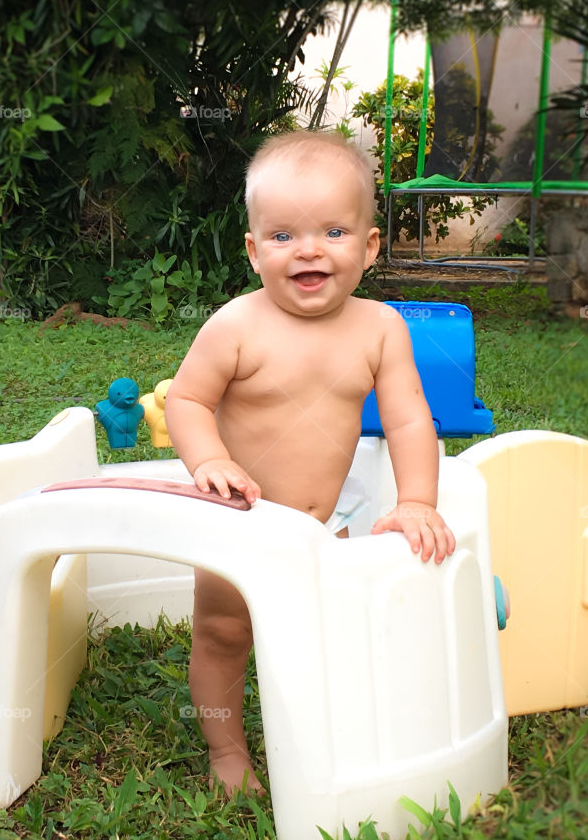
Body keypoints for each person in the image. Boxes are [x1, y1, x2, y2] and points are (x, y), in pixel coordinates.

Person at [164, 130, 456, 797]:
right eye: (284, 235)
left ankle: (331, 730)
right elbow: (186, 398)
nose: (309, 250)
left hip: (333, 517)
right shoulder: (237, 325)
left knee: (332, 625)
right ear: (253, 250)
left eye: (332, 230)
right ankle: (227, 750)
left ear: (369, 246)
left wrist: (417, 499)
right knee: (221, 630)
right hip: (241, 517)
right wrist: (209, 459)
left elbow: (411, 418)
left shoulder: (381, 328)